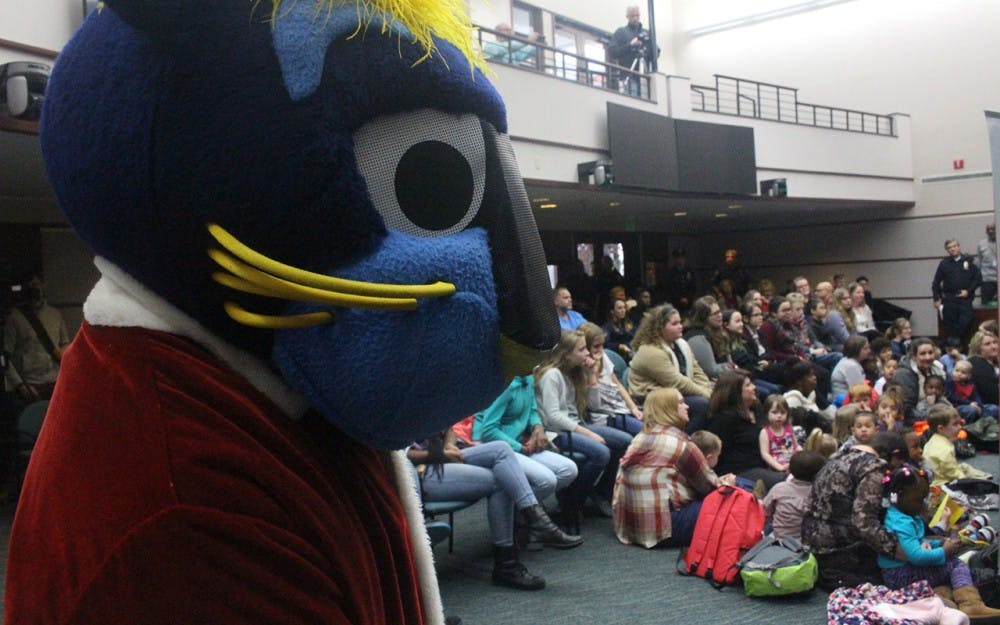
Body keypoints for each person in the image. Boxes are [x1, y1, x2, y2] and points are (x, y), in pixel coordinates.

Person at [409, 431, 582, 590]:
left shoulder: (429, 401)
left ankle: (536, 519)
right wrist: (440, 455)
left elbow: (449, 429)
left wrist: (448, 445)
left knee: (501, 450)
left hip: (443, 459)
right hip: (417, 471)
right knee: (501, 480)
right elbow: (401, 455)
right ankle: (508, 563)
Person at [612, 388, 732, 548]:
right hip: (663, 529)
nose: (687, 406)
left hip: (631, 526)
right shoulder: (681, 443)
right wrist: (728, 483)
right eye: (681, 403)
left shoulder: (640, 438)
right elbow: (709, 487)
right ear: (668, 409)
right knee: (736, 497)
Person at [877, 464, 1000, 619]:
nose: (923, 504)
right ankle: (971, 604)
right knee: (955, 564)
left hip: (900, 571)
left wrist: (939, 543)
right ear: (899, 496)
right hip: (901, 574)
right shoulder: (902, 523)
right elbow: (917, 556)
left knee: (943, 574)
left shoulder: (901, 514)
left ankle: (946, 604)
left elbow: (918, 542)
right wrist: (945, 550)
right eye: (919, 500)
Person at [535, 330, 631, 519]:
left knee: (625, 441)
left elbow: (594, 406)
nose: (588, 353)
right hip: (556, 432)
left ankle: (600, 492)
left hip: (576, 424)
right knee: (601, 452)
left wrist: (591, 375)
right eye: (581, 349)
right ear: (566, 354)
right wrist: (587, 433)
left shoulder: (576, 371)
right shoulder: (552, 375)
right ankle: (571, 502)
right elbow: (553, 416)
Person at [802, 431, 910, 590]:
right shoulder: (873, 468)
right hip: (840, 551)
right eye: (897, 463)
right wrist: (901, 552)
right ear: (894, 455)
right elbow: (865, 524)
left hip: (811, 544)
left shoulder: (838, 456)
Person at [473, 375, 580, 509]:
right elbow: (488, 431)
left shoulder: (528, 379)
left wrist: (538, 428)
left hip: (518, 441)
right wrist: (521, 448)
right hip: (495, 446)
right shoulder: (504, 387)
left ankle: (519, 510)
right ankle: (521, 513)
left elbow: (532, 411)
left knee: (569, 469)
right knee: (547, 481)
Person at [628, 304, 713, 432]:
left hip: (677, 394)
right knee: (702, 405)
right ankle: (684, 442)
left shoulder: (681, 344)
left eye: (680, 322)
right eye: (674, 324)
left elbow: (697, 372)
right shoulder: (651, 351)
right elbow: (677, 382)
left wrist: (709, 390)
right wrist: (708, 395)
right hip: (653, 400)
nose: (681, 326)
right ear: (660, 328)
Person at [706, 370, 786, 491]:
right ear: (735, 391)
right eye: (748, 385)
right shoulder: (724, 419)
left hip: (768, 461)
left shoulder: (757, 410)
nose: (754, 387)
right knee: (785, 480)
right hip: (741, 470)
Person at [3, 271, 71, 409]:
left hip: (55, 381)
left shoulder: (55, 314)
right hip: (30, 386)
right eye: (30, 286)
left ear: (43, 286)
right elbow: (5, 357)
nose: (34, 289)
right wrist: (20, 385)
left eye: (36, 284)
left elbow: (65, 342)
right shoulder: (15, 318)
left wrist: (63, 353)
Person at [580, 322, 643, 434]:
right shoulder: (581, 367)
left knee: (655, 424)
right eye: (596, 346)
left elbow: (617, 384)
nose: (600, 350)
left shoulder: (603, 357)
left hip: (621, 408)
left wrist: (633, 407)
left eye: (602, 345)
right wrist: (592, 372)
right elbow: (592, 405)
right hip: (606, 416)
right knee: (644, 431)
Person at [762, 450, 825, 541]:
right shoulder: (820, 493)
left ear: (789, 470)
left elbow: (765, 511)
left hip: (779, 539)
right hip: (808, 541)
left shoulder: (779, 488)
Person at [922, 405, 993, 485]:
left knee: (963, 466)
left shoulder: (933, 440)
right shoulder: (945, 450)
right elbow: (952, 474)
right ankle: (982, 480)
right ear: (941, 428)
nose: (960, 427)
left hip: (937, 476)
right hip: (942, 483)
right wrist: (966, 480)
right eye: (955, 424)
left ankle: (983, 478)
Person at [932, 238, 982, 347]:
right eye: (949, 248)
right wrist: (936, 298)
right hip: (949, 299)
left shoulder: (969, 261)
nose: (952, 249)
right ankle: (954, 345)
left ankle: (952, 343)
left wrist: (968, 291)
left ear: (959, 247)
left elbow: (978, 279)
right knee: (950, 325)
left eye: (954, 246)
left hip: (965, 299)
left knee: (965, 322)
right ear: (947, 250)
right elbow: (936, 282)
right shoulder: (944, 263)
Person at [607, 5, 657, 97]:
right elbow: (612, 51)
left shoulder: (647, 33)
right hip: (629, 77)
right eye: (632, 16)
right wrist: (630, 45)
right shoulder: (621, 32)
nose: (635, 18)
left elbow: (656, 52)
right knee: (633, 102)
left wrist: (647, 49)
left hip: (645, 78)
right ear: (627, 17)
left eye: (637, 15)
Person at [894, 337, 947, 423]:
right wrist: (934, 416)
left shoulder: (938, 369)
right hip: (913, 419)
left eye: (930, 353)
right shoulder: (904, 374)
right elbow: (906, 409)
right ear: (914, 356)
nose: (928, 357)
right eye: (923, 354)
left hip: (936, 410)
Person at [683, 295, 733, 381]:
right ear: (703, 317)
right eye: (715, 314)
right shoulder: (697, 338)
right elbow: (710, 370)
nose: (720, 315)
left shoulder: (718, 331)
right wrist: (731, 367)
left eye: (719, 311)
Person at [758, 394, 800, 472]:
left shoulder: (789, 428)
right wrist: (779, 467)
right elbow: (765, 454)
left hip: (793, 465)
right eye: (774, 412)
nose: (779, 416)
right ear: (766, 414)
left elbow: (796, 446)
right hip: (776, 469)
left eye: (783, 412)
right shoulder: (765, 432)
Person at [967, 330, 1000, 406]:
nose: (994, 347)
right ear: (978, 347)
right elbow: (992, 395)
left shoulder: (991, 362)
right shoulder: (977, 364)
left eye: (995, 342)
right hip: (986, 406)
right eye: (987, 344)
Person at [663, 248, 696, 312]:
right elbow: (670, 288)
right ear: (674, 259)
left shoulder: (689, 271)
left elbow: (693, 286)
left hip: (688, 303)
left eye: (682, 258)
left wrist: (688, 298)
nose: (680, 260)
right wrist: (679, 298)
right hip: (675, 303)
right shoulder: (671, 273)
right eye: (678, 258)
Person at [977, 223, 997, 306]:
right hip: (987, 280)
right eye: (988, 229)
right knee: (987, 306)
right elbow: (980, 261)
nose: (991, 231)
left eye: (993, 229)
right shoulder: (981, 244)